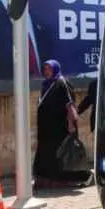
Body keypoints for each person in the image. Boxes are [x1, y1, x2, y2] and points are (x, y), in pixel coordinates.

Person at [34, 60, 91, 189]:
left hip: (59, 129)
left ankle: (64, 180)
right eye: (45, 69)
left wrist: (71, 124)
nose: (47, 71)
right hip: (46, 130)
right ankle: (45, 180)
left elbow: (70, 105)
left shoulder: (62, 83)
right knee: (45, 153)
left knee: (60, 155)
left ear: (55, 69)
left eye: (49, 69)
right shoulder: (45, 85)